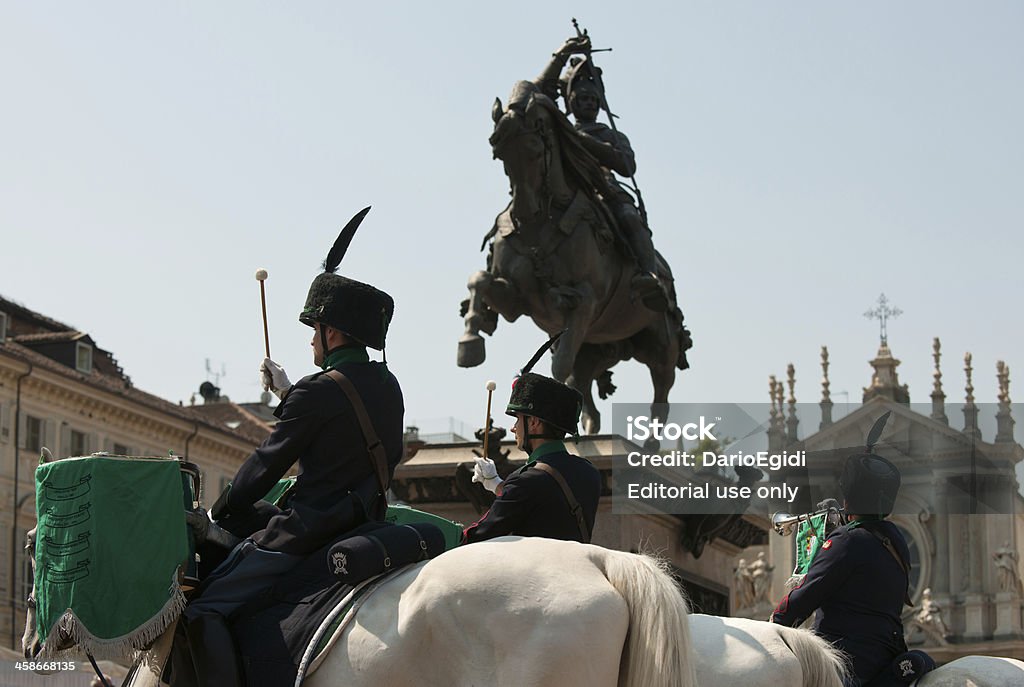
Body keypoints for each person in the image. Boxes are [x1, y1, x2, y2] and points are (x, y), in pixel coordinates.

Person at [180, 208, 404, 687]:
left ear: (334, 332)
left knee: (202, 610)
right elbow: (351, 437)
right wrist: (290, 396)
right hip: (366, 521)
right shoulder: (388, 385)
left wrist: (221, 510)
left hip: (306, 533)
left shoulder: (316, 390)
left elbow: (264, 466)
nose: (311, 342)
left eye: (314, 331)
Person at [534, 35, 667, 312]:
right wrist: (563, 53)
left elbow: (627, 165)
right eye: (582, 98)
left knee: (629, 216)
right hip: (564, 189)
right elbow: (540, 92)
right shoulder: (559, 128)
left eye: (594, 99)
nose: (589, 103)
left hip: (603, 190)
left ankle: (648, 275)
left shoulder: (609, 134)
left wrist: (587, 142)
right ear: (570, 101)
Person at [770, 445, 915, 686]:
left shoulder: (847, 541)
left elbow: (806, 594)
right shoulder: (897, 543)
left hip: (843, 662)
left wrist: (772, 625)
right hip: (886, 658)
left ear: (848, 500)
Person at [463, 351, 601, 544]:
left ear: (534, 422)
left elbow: (479, 535)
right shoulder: (589, 471)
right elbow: (542, 503)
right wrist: (496, 484)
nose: (513, 428)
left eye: (518, 419)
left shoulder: (526, 480)